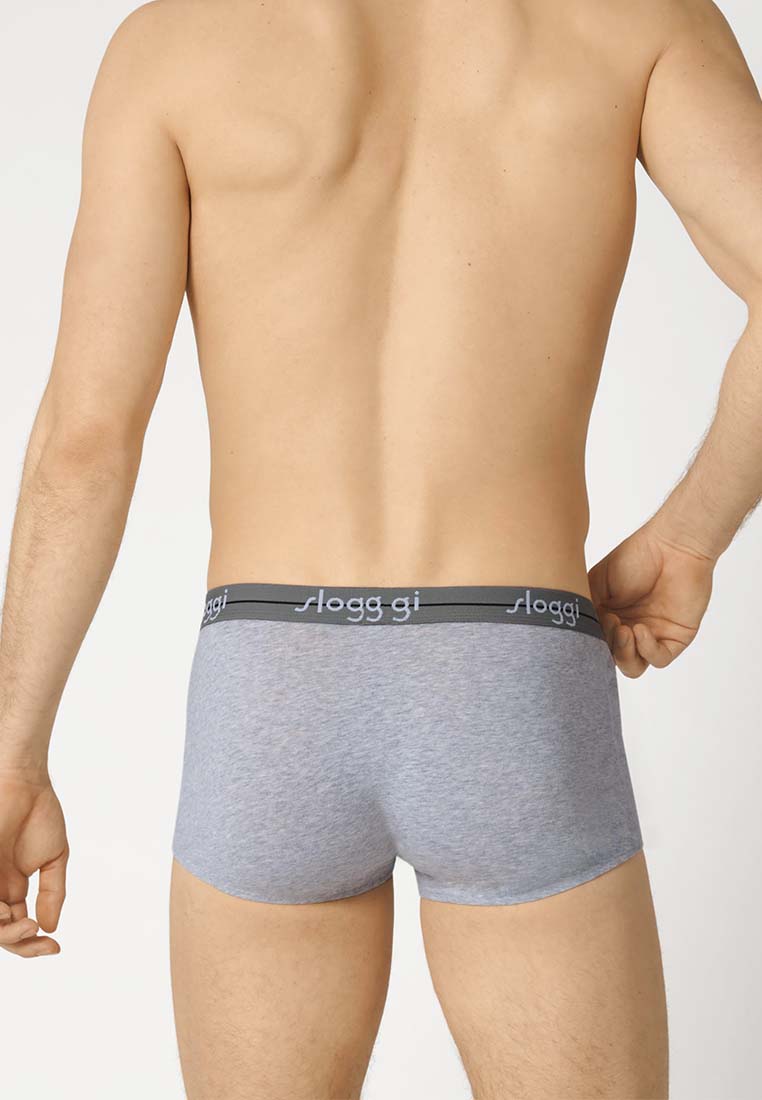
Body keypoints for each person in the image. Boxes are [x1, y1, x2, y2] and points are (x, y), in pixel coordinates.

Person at [1, 0, 760, 1096]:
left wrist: (14, 751)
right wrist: (689, 538)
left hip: (271, 683)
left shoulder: (173, 46)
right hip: (511, 670)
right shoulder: (635, 20)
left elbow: (84, 440)